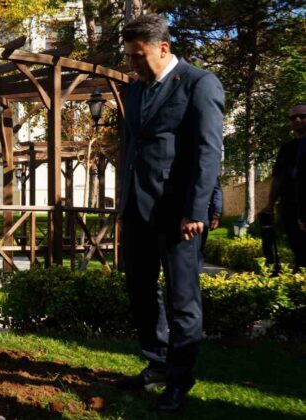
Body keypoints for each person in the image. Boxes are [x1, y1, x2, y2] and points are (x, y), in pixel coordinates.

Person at [118, 14, 224, 412]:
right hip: (137, 210)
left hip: (179, 214)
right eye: (129, 56)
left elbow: (207, 150)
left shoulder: (199, 83)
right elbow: (129, 150)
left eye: (139, 56)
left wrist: (196, 209)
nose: (134, 64)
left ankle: (180, 381)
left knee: (183, 301)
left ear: (163, 48)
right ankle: (158, 362)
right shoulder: (134, 90)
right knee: (139, 291)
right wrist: (123, 202)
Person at [263, 103, 306, 269]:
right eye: (293, 117)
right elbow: (278, 178)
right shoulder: (286, 149)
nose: (297, 120)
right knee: (297, 248)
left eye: (302, 116)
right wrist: (270, 204)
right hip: (290, 204)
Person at [199, 179, 222, 269]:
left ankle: (196, 276)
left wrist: (216, 215)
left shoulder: (209, 168)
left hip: (202, 216)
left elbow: (216, 192)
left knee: (198, 250)